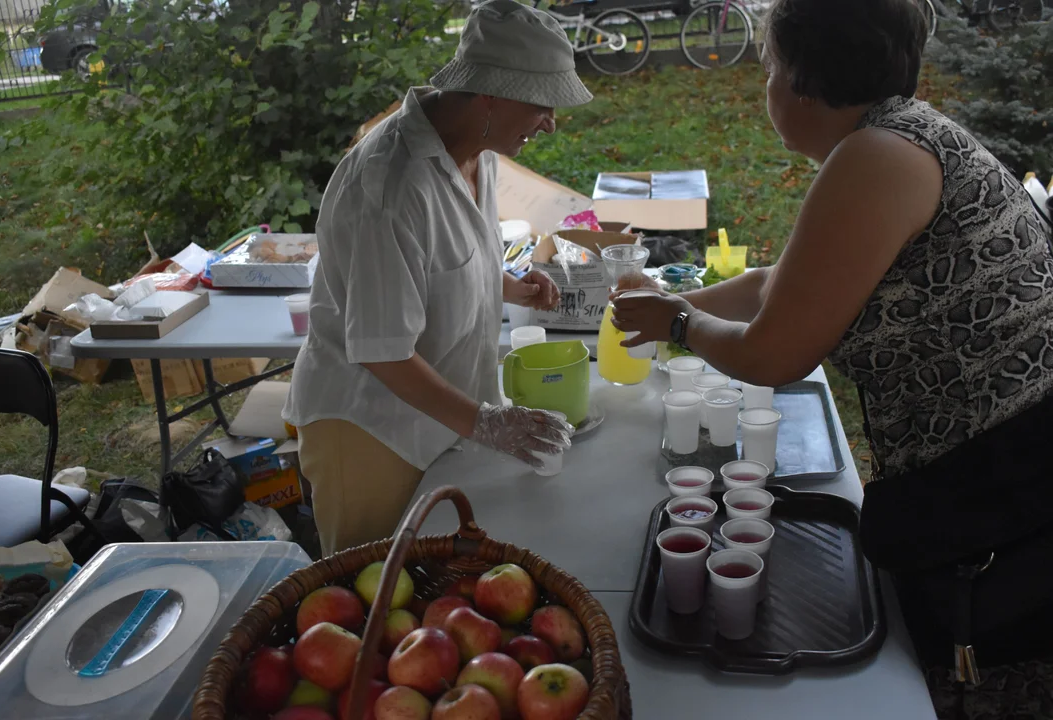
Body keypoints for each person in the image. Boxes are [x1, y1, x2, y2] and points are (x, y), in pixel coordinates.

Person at [611, 0, 1053, 715]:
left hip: (1006, 497)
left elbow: (774, 354)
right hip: (998, 471)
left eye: (768, 67)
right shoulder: (897, 137)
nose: (766, 86)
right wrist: (669, 301)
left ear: (803, 80)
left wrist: (680, 323)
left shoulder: (878, 158)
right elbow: (773, 286)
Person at [283, 0, 591, 556]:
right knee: (371, 590)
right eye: (543, 104)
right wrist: (488, 423)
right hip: (369, 431)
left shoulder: (483, 148)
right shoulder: (390, 186)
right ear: (491, 93)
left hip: (445, 416)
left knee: (436, 589)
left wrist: (507, 284)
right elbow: (382, 351)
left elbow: (451, 252)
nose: (551, 121)